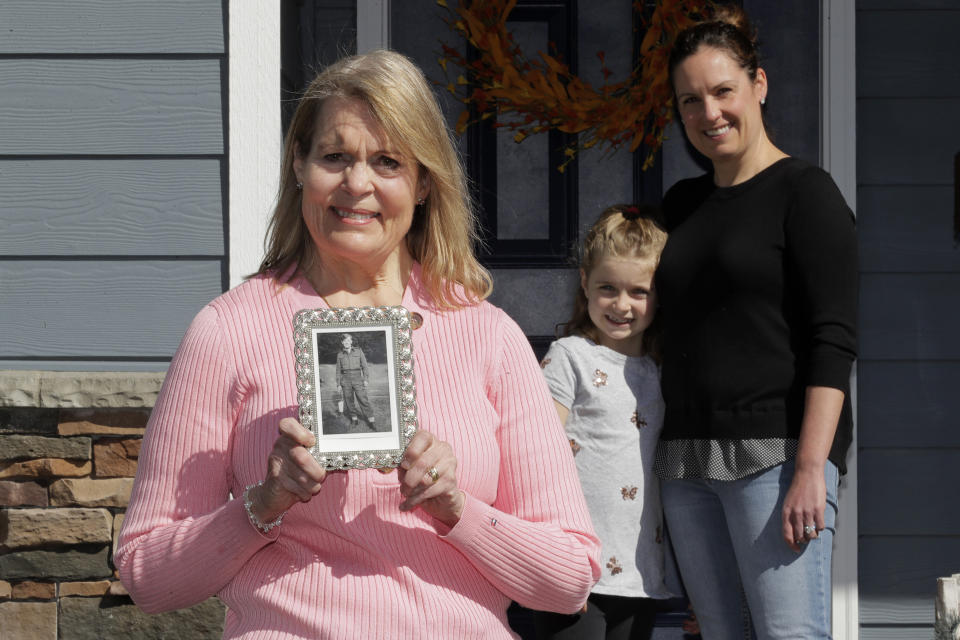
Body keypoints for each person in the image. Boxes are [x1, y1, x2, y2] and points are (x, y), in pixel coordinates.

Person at [116, 49, 601, 639]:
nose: (357, 183)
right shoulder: (228, 330)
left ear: (423, 182)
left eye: (388, 161)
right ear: (299, 164)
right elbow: (147, 577)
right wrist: (263, 504)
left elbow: (570, 580)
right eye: (335, 156)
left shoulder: (487, 335)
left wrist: (457, 509)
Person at [653, 7, 857, 639]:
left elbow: (834, 340)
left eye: (722, 92)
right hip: (685, 467)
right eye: (691, 101)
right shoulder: (682, 205)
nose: (709, 113)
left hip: (776, 461)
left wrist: (810, 472)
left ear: (758, 85)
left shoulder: (806, 192)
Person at [535, 205, 674, 640]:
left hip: (639, 571)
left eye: (638, 291)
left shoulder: (661, 370)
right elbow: (536, 452)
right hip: (574, 567)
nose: (621, 304)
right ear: (585, 284)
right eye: (607, 288)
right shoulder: (569, 357)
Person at [335, 333, 374, 428]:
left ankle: (371, 420)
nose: (347, 342)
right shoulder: (340, 355)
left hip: (357, 378)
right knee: (349, 400)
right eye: (345, 341)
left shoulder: (359, 351)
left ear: (351, 341)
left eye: (348, 340)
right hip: (345, 380)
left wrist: (366, 379)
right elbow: (338, 371)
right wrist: (339, 384)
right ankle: (354, 419)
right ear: (342, 342)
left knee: (363, 399)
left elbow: (365, 366)